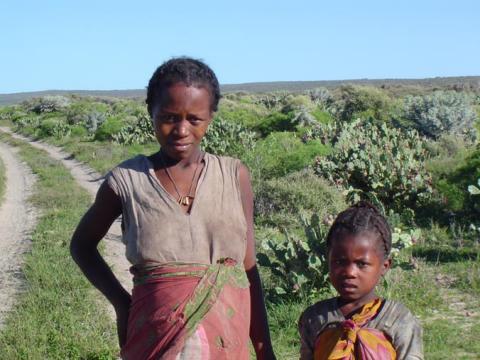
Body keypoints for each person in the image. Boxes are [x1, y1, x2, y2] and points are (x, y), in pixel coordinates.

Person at [70, 57, 276, 360]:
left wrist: (263, 348)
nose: (181, 129)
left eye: (194, 119)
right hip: (152, 341)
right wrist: (120, 303)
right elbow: (82, 246)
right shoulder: (127, 181)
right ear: (150, 113)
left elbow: (248, 267)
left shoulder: (234, 176)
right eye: (168, 117)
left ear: (210, 117)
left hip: (226, 342)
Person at [298, 202, 423, 360]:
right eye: (339, 262)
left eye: (361, 264)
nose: (349, 272)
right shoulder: (314, 318)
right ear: (328, 260)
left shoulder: (399, 320)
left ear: (384, 266)